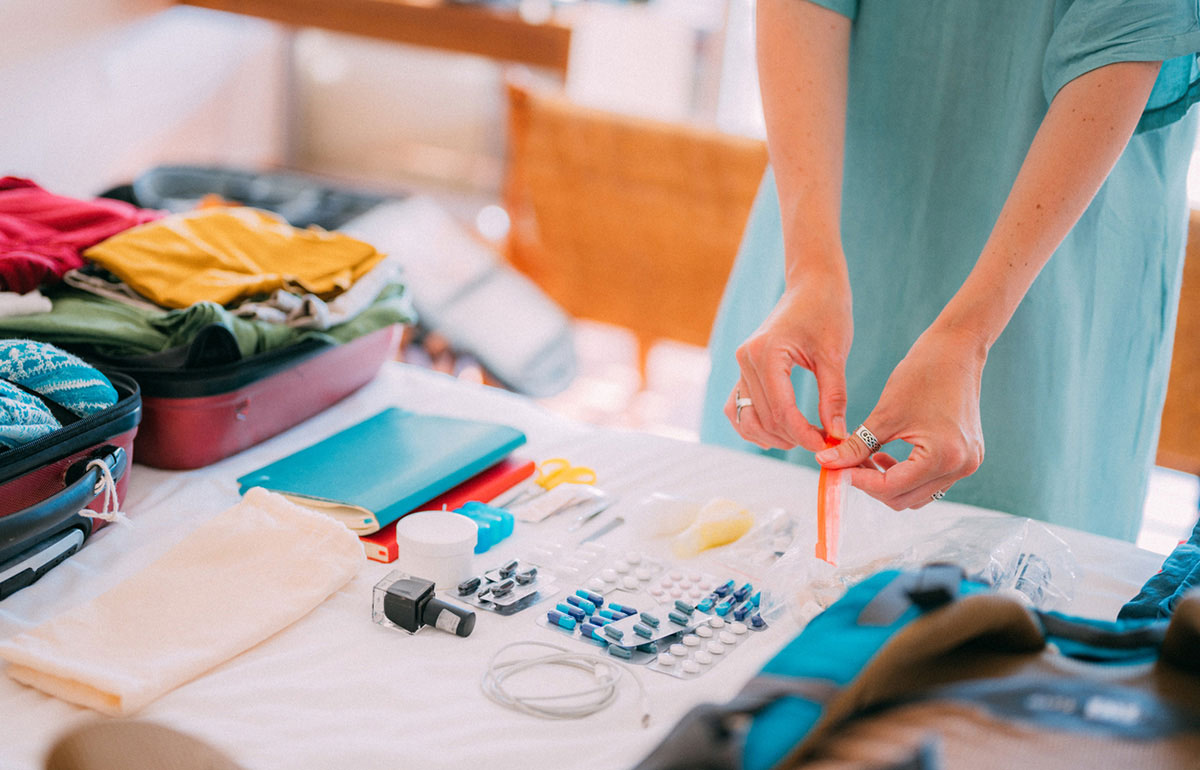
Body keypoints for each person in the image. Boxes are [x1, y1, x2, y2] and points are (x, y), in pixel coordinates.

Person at [701, 0, 1200, 541]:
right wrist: (809, 265)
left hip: (1056, 242)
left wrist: (969, 335)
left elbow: (1127, 35)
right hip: (825, 198)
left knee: (1010, 574)